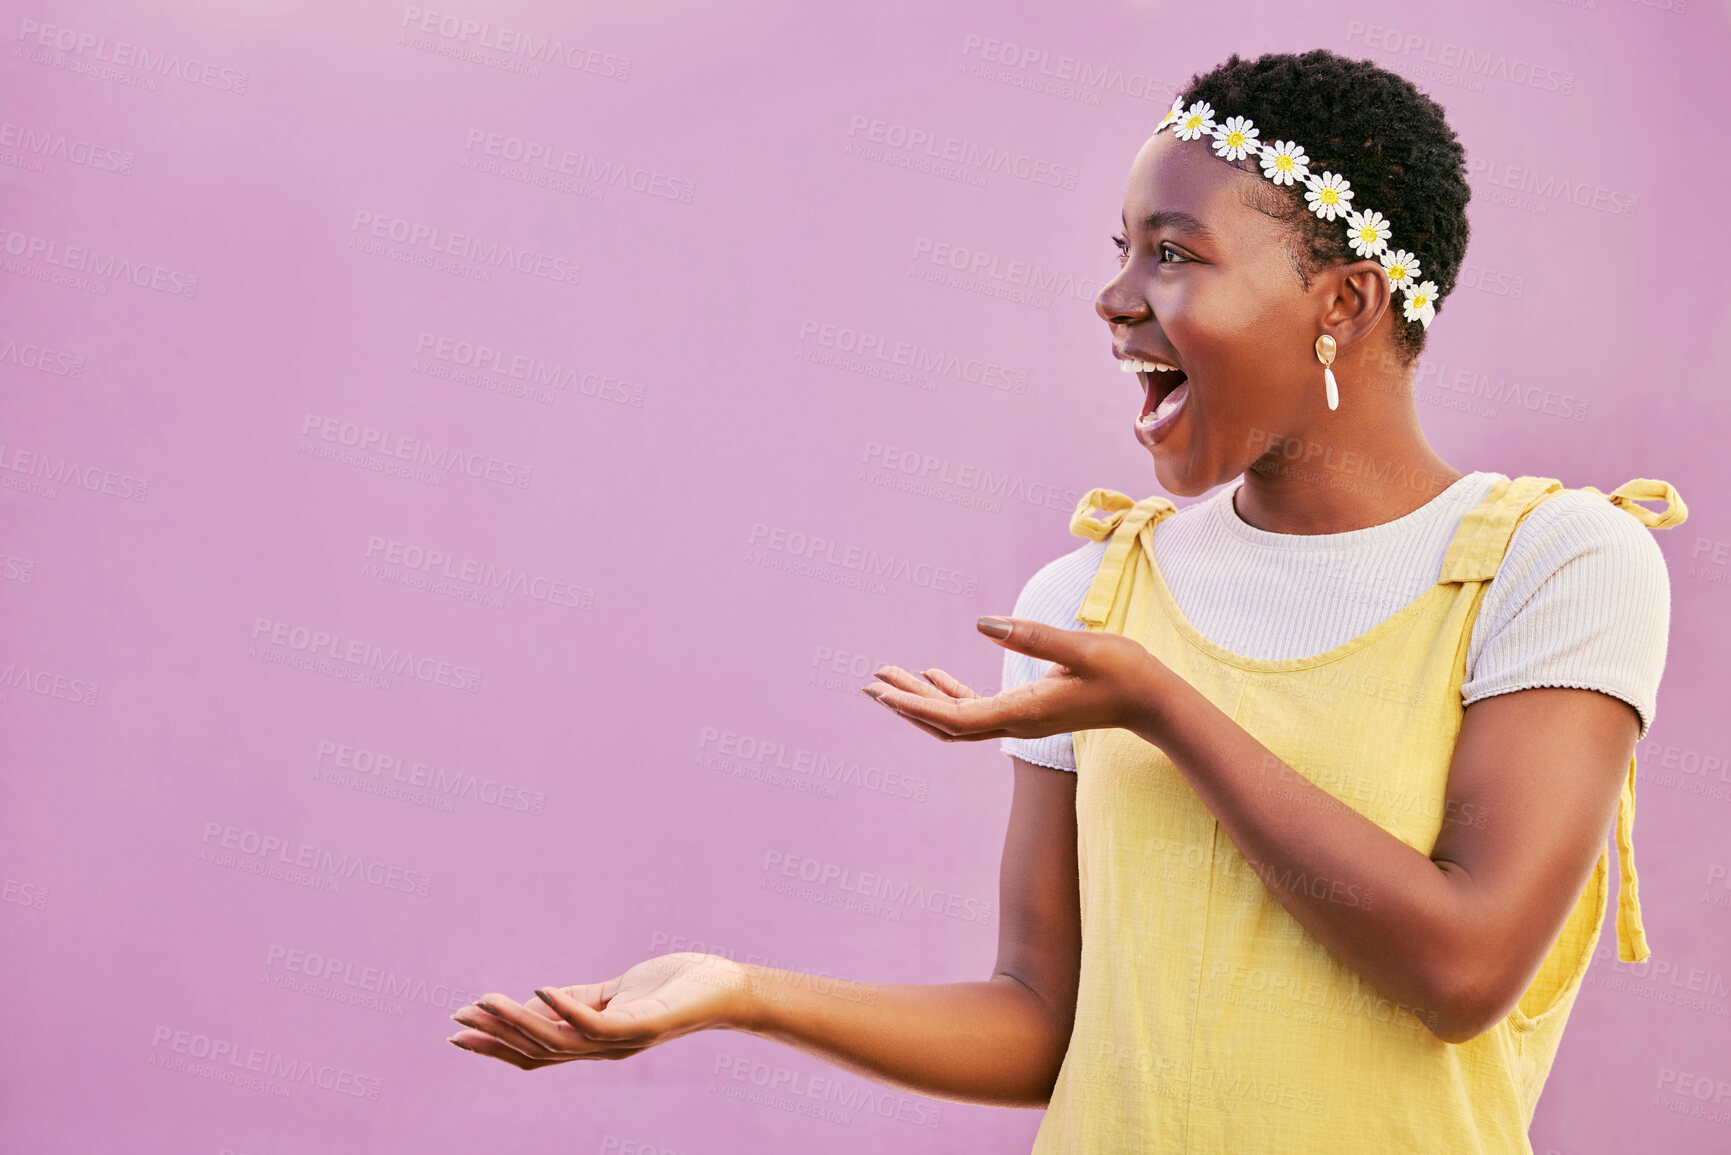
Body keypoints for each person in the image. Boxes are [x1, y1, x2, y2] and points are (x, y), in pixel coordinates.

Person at [444, 49, 1688, 1152]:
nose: (1116, 297)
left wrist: (1165, 708)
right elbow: (1045, 1023)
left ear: (1345, 303)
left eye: (1176, 254)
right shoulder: (1095, 593)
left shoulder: (1557, 561)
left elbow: (1463, 968)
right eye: (1123, 252)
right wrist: (738, 994)